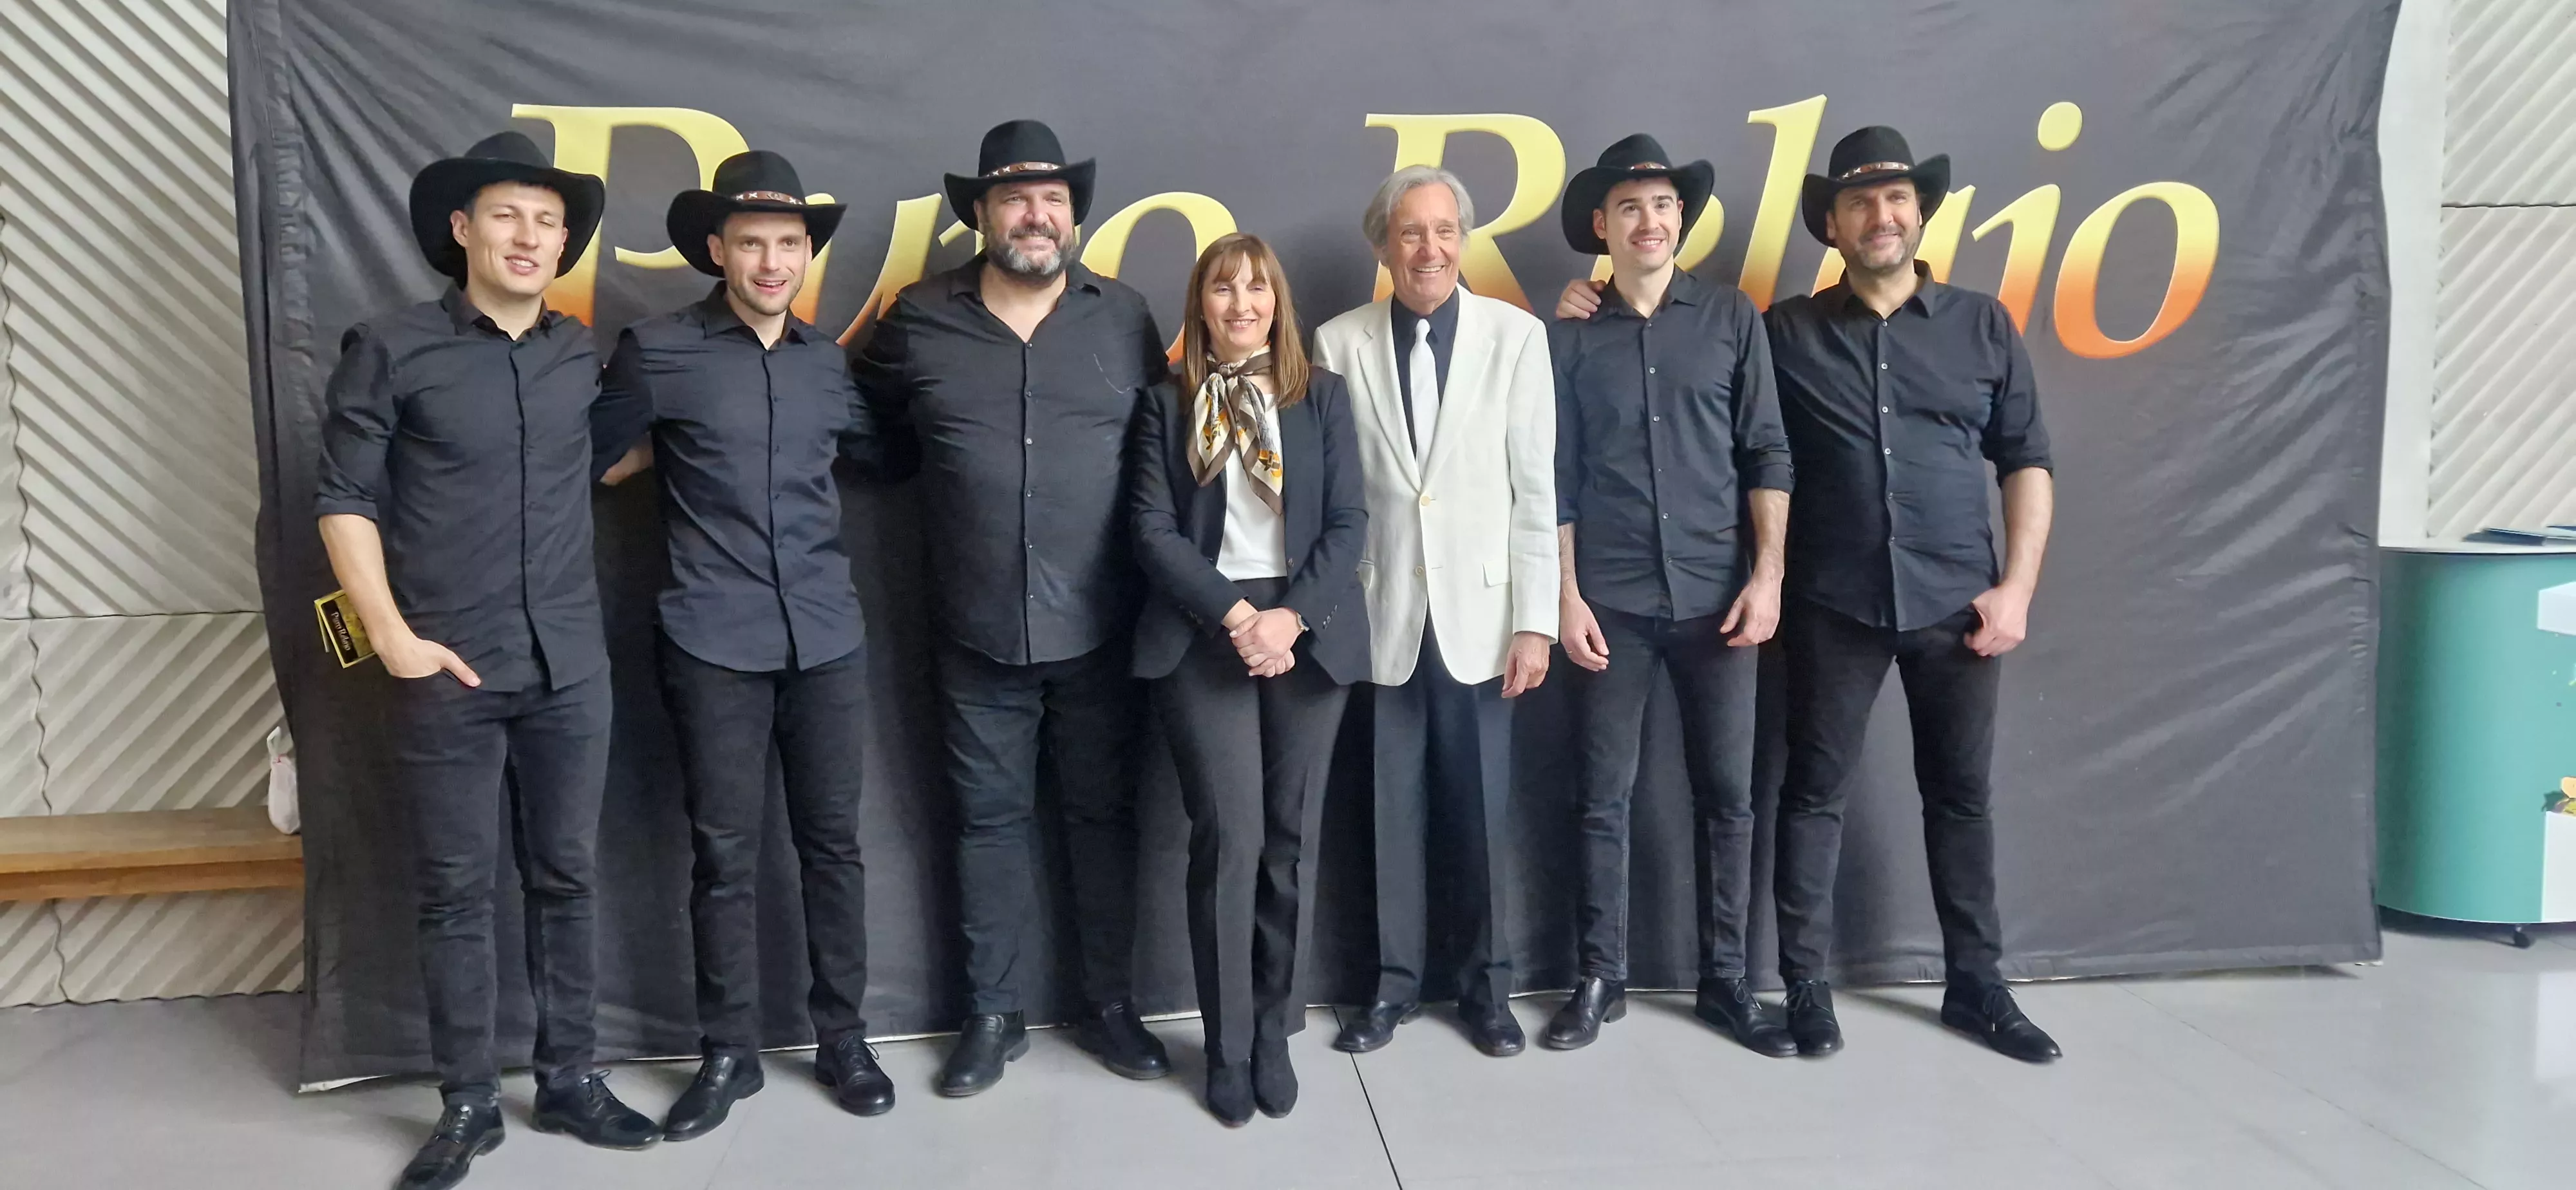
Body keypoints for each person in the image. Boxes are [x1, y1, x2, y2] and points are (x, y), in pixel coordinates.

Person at [1565, 126, 2060, 1062]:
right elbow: (1719, 436)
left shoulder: (1982, 325)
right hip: (1835, 605)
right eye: (1860, 202)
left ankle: (1977, 986)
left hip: (1959, 602)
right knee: (1812, 796)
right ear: (1832, 224)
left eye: (1897, 199)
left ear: (1920, 213)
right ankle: (1804, 987)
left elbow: (2027, 459)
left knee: (1961, 798)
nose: (1881, 216)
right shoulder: (1783, 329)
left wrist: (2019, 588)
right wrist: (1583, 302)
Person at [314, 131, 657, 1190]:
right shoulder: (391, 346)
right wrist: (391, 636)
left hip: (569, 666)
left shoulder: (578, 355)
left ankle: (571, 1080)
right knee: (455, 892)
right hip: (446, 668)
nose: (529, 235)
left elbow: (602, 463)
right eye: (508, 215)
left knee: (568, 878)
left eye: (548, 221)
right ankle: (467, 1101)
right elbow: (343, 497)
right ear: (462, 229)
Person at [853, 119, 1172, 1096]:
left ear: (1072, 218)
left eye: (1052, 200)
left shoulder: (1124, 317)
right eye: (1015, 199)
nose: (1036, 215)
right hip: (974, 628)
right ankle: (992, 1016)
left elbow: (1166, 450)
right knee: (985, 826)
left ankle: (1110, 1005)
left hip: (1103, 626)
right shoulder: (919, 318)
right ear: (983, 215)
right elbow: (868, 430)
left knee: (1104, 820)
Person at [589, 149, 897, 1136]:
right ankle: (728, 1052)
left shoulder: (825, 364)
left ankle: (844, 1039)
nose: (772, 262)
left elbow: (887, 454)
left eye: (789, 244)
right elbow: (585, 462)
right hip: (710, 639)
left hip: (826, 637)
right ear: (717, 250)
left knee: (834, 849)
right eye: (753, 243)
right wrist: (651, 454)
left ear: (807, 253)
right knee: (723, 857)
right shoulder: (657, 351)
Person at [1540, 135, 1796, 1056]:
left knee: (1729, 799)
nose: (1647, 222)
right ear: (1602, 226)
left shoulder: (1731, 317)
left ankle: (1726, 981)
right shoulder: (1568, 336)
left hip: (1720, 602)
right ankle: (1599, 977)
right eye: (1628, 208)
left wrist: (1768, 575)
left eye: (1661, 205)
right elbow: (1554, 477)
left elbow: (1767, 451)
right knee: (1600, 799)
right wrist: (1566, 596)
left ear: (1680, 218)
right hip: (1609, 603)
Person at [1314, 166, 1558, 1059]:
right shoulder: (1337, 342)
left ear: (1464, 239)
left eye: (1445, 230)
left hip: (1484, 622)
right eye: (1411, 232)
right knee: (1391, 816)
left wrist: (1535, 620)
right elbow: (1333, 493)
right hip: (1382, 617)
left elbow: (1536, 489)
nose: (1430, 248)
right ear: (1384, 246)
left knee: (1481, 816)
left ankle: (1487, 993)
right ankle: (1392, 989)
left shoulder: (1516, 337)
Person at [1128, 233, 1369, 1125]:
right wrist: (1237, 617)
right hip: (1206, 630)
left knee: (1287, 845)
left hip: (1306, 632)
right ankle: (1228, 1047)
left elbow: (1349, 520)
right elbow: (1150, 529)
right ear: (1201, 304)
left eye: (1257, 289)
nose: (1242, 305)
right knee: (1228, 844)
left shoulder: (1323, 397)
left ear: (1278, 304)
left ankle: (1274, 1032)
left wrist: (1288, 619)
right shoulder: (1165, 403)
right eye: (1224, 289)